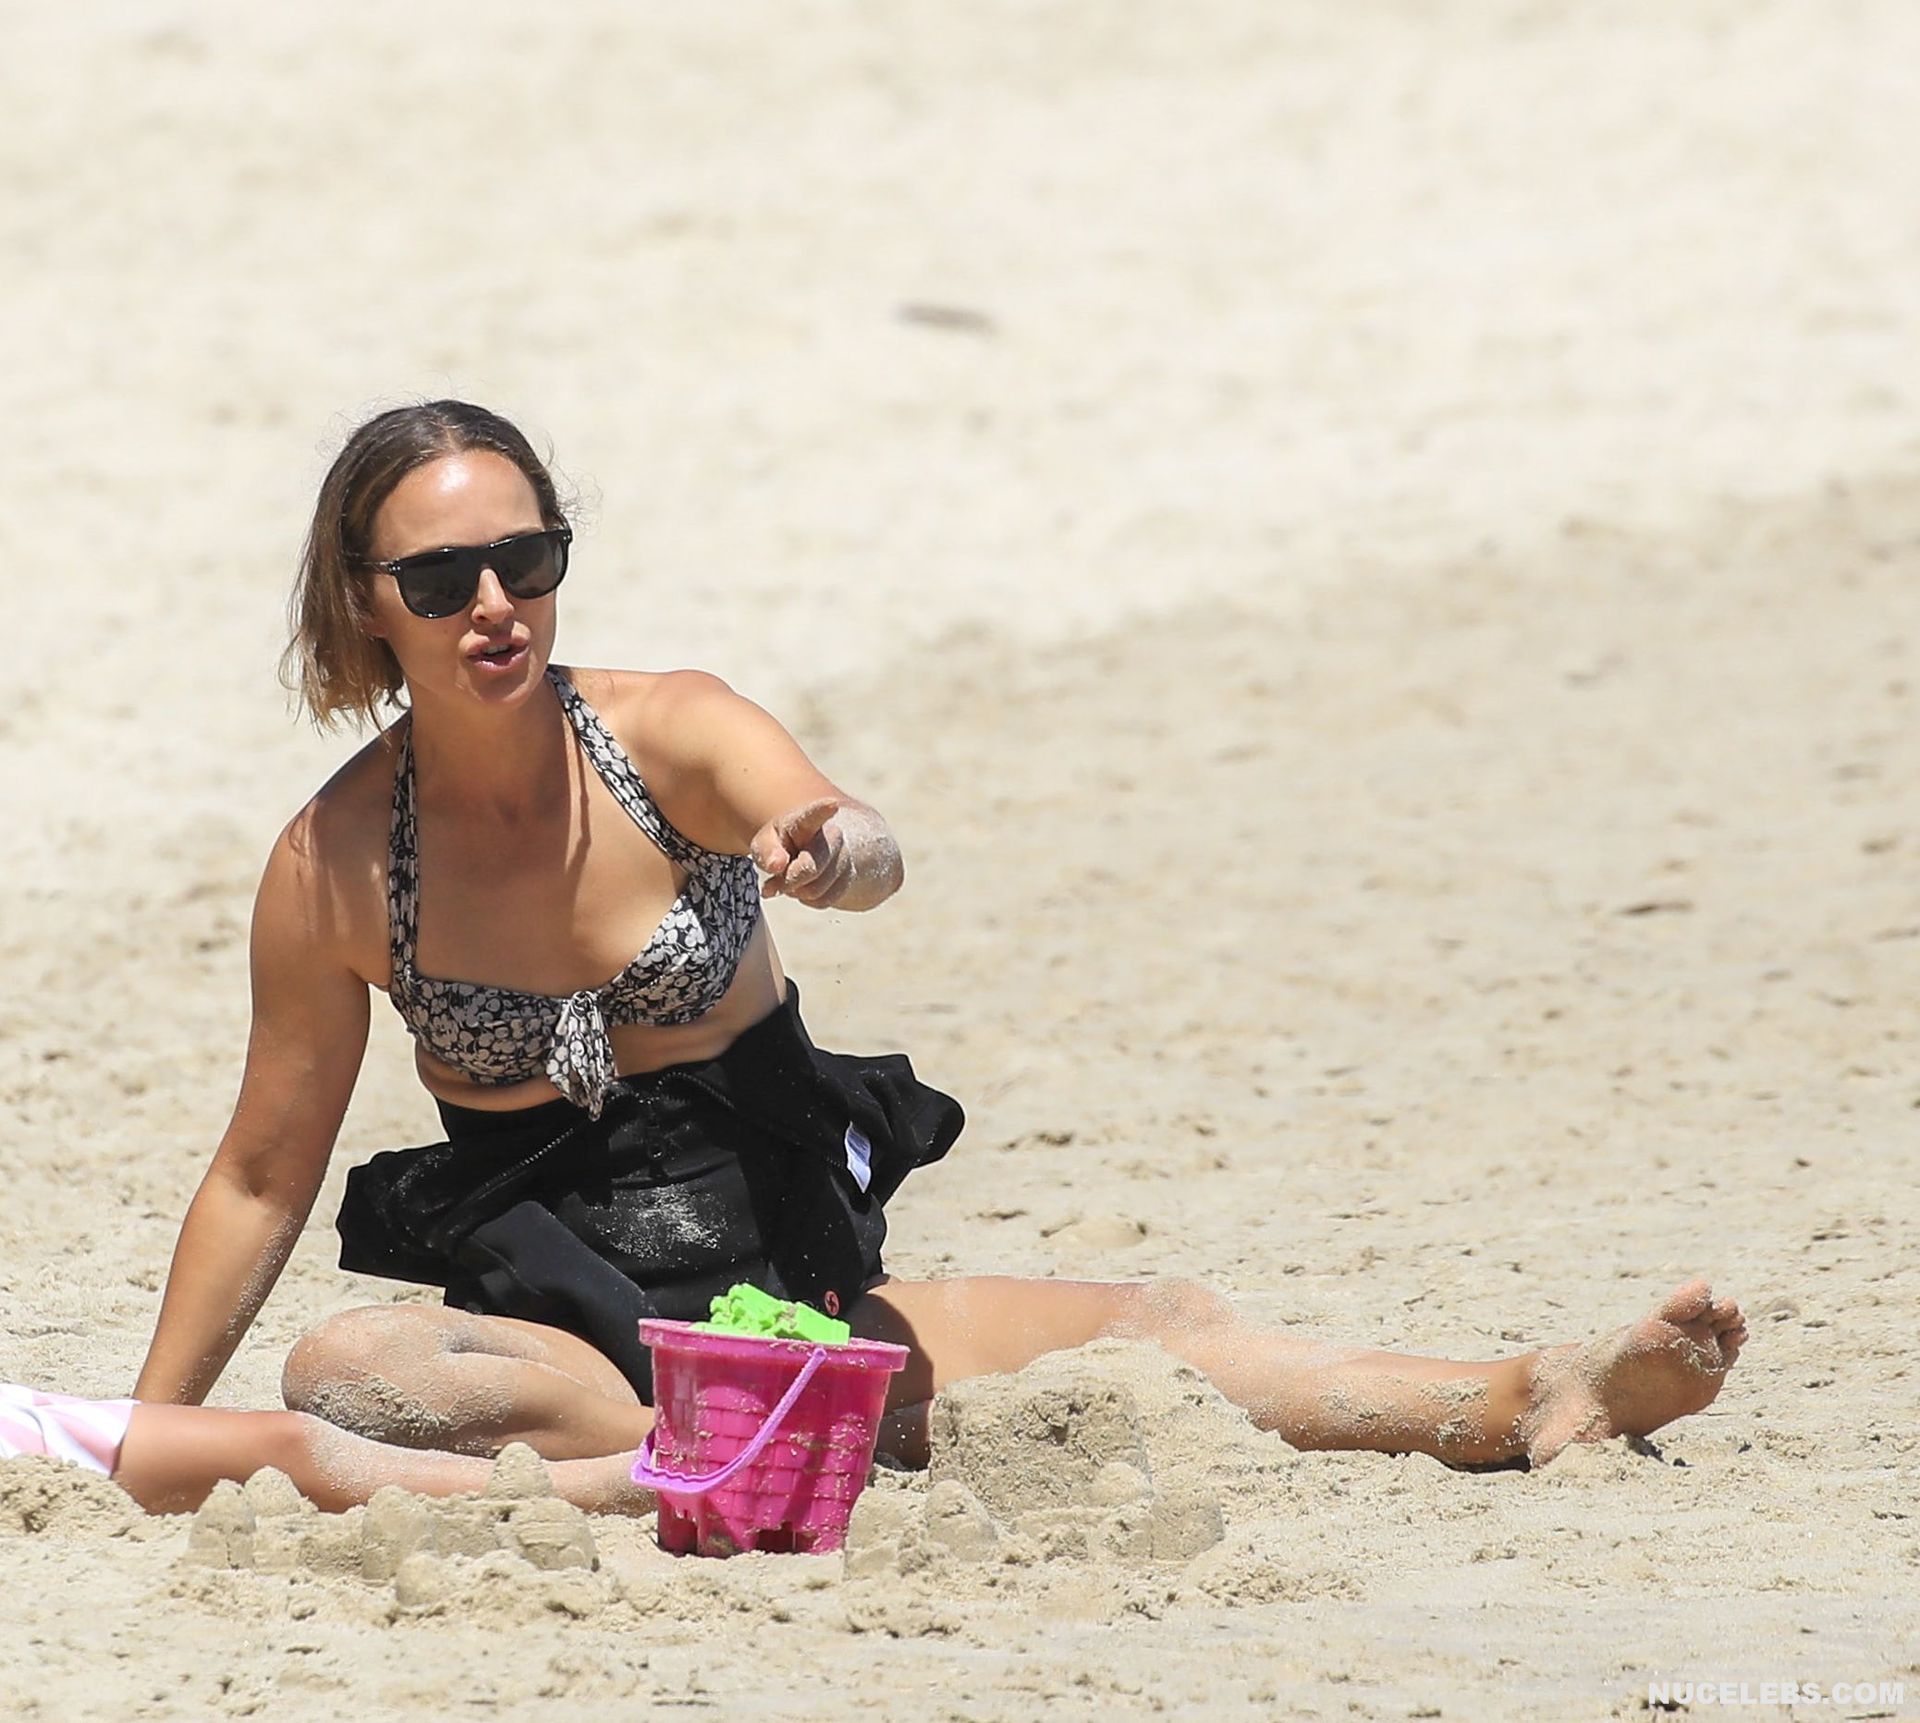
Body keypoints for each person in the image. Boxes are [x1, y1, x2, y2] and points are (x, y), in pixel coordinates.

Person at [132, 400, 1747, 1478]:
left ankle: (1528, 1393)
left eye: (528, 558)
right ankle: (706, 1443)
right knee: (350, 1365)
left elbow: (849, 830)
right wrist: (145, 1426)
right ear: (367, 601)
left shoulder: (670, 733)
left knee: (1155, 1325)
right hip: (560, 1331)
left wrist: (838, 852)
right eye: (440, 577)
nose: (495, 600)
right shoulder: (337, 864)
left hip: (788, 1277)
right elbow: (265, 1173)